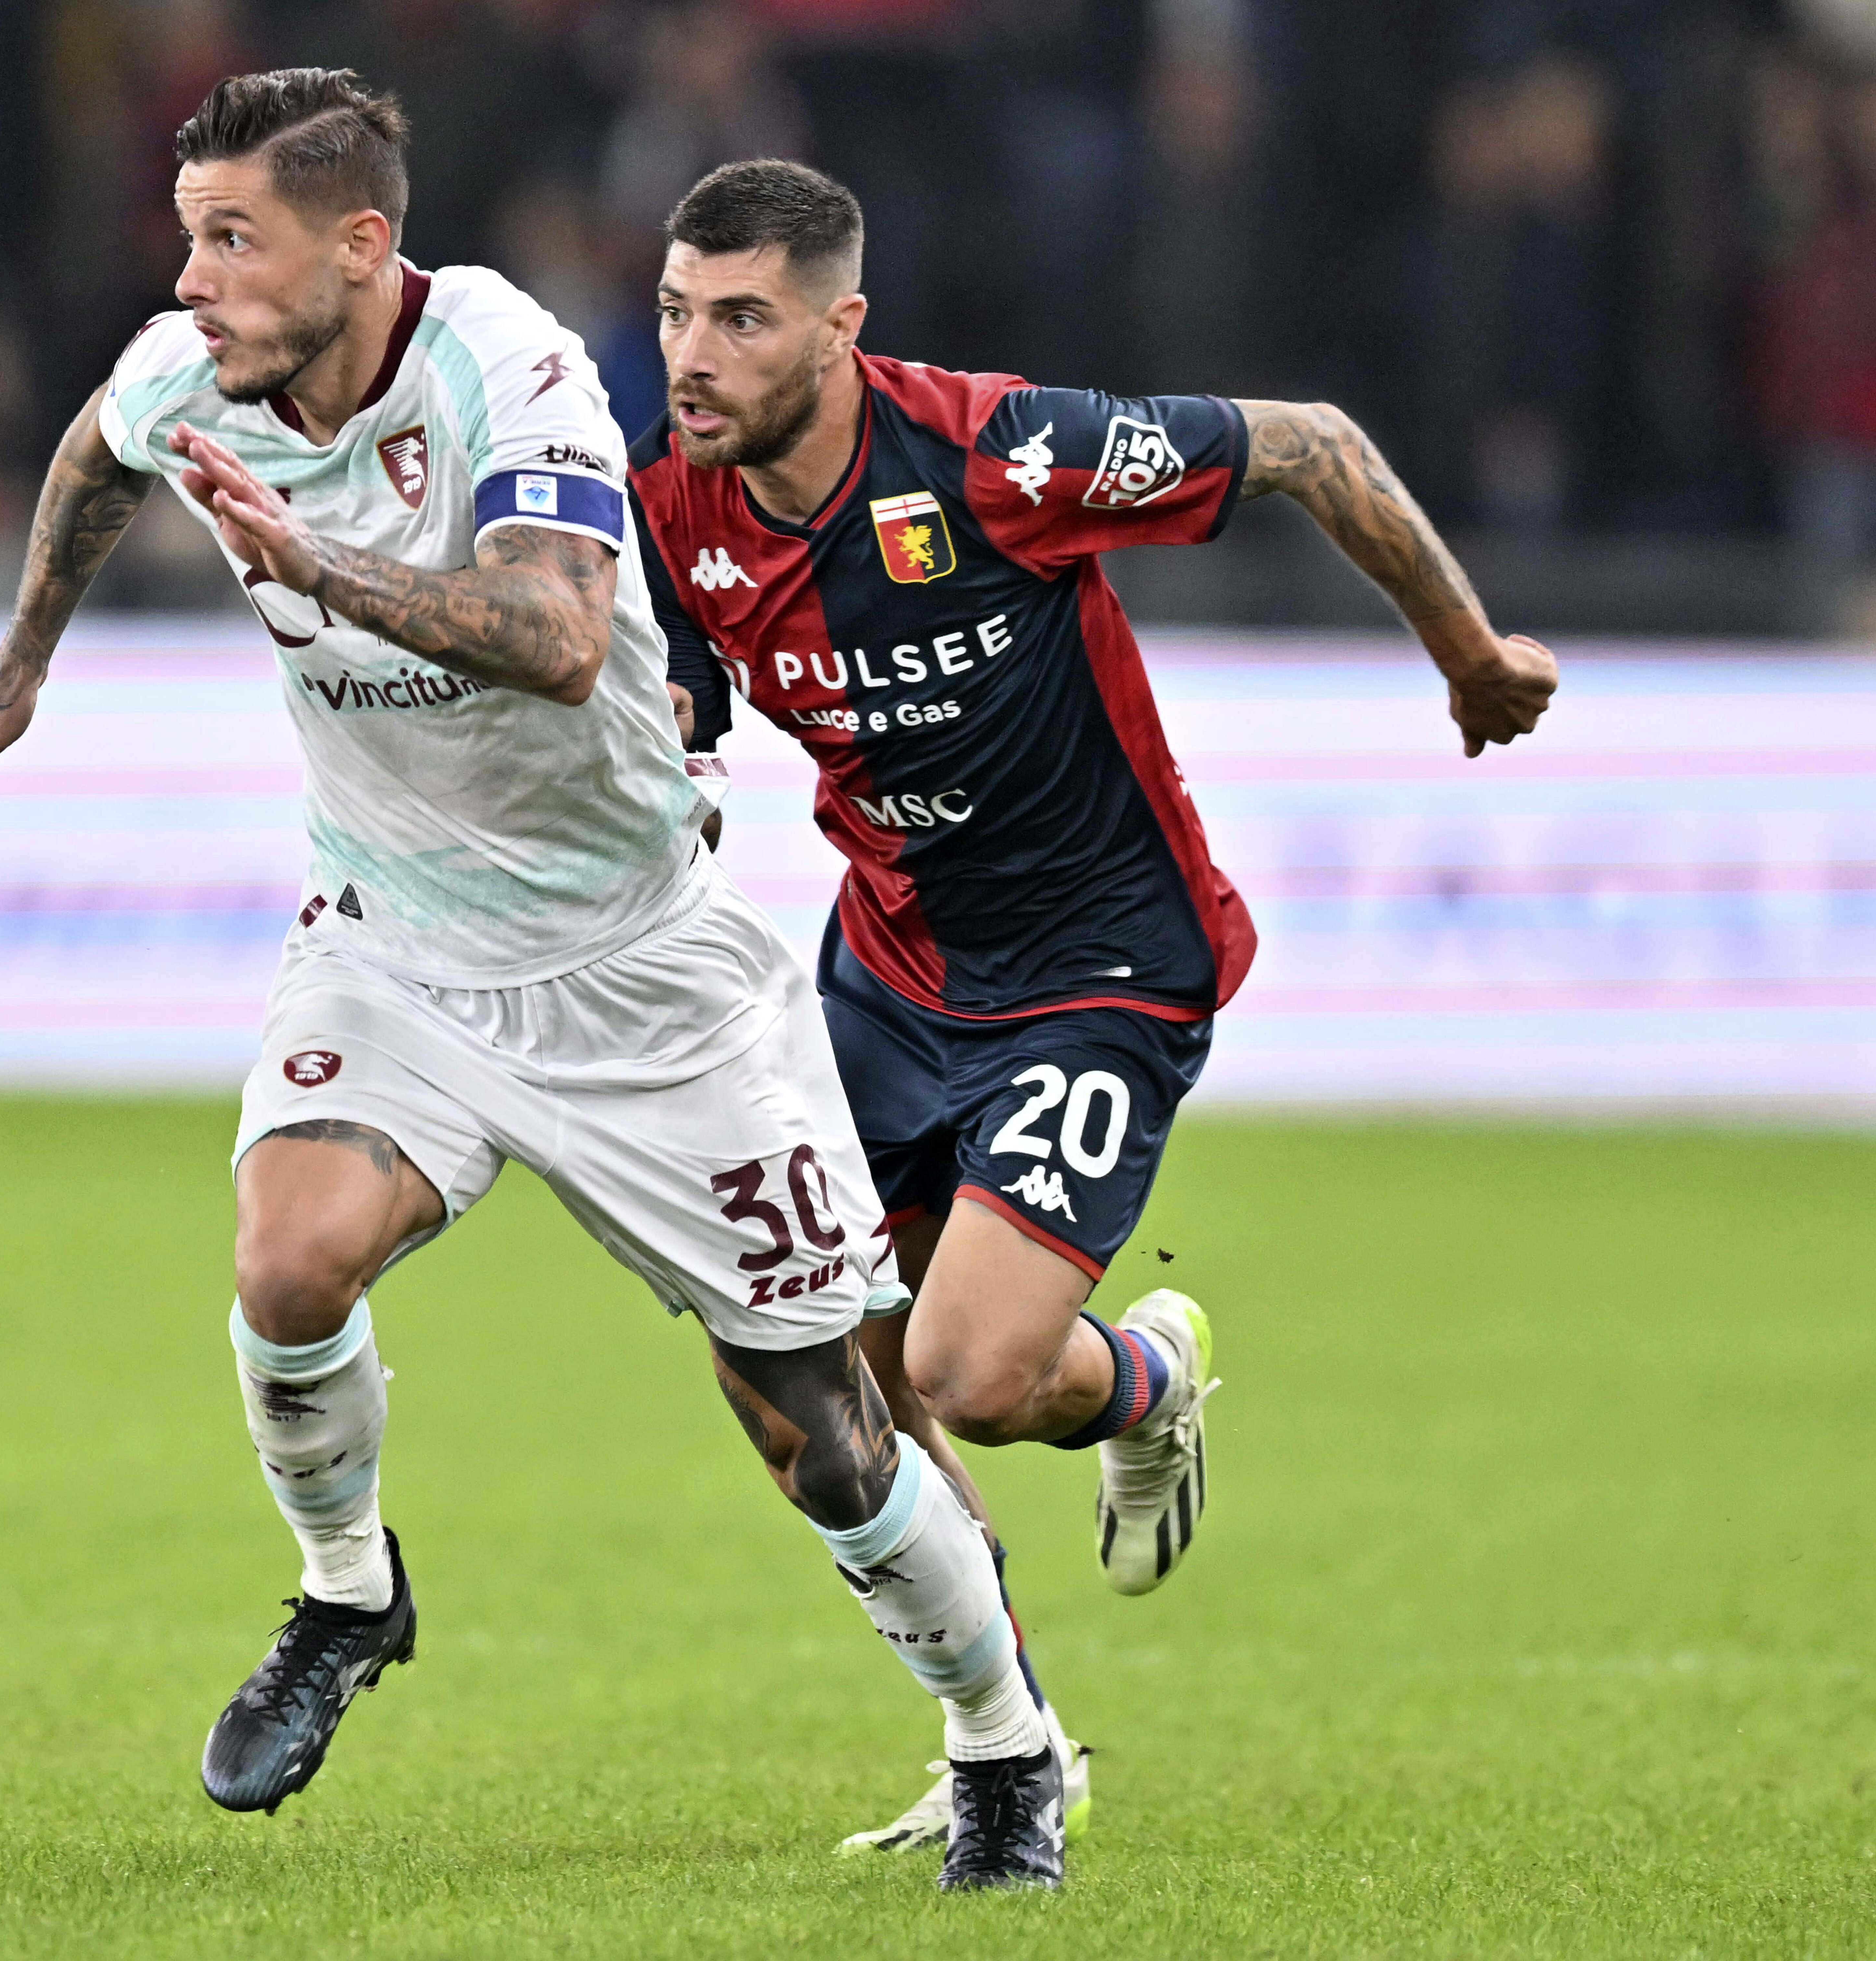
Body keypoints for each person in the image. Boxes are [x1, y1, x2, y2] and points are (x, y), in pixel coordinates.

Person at [0, 72, 1069, 1890]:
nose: (194, 279)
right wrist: (17, 665)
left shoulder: (506, 369)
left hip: (641, 975)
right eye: (187, 234)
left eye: (234, 239)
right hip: (394, 938)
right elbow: (94, 449)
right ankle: (346, 1597)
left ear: (363, 248)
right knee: (287, 1260)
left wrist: (320, 565)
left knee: (831, 1445)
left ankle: (1005, 1749)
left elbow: (548, 637)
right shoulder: (189, 366)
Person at [625, 159, 1557, 1849]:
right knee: (805, 1376)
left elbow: (1314, 444)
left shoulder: (997, 455)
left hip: (1099, 974)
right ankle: (1002, 1744)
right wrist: (661, 785)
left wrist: (1467, 650)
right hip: (888, 972)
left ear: (839, 330)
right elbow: (675, 717)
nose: (693, 352)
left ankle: (1137, 1385)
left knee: (966, 1371)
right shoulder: (670, 513)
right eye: (678, 311)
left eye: (741, 318)